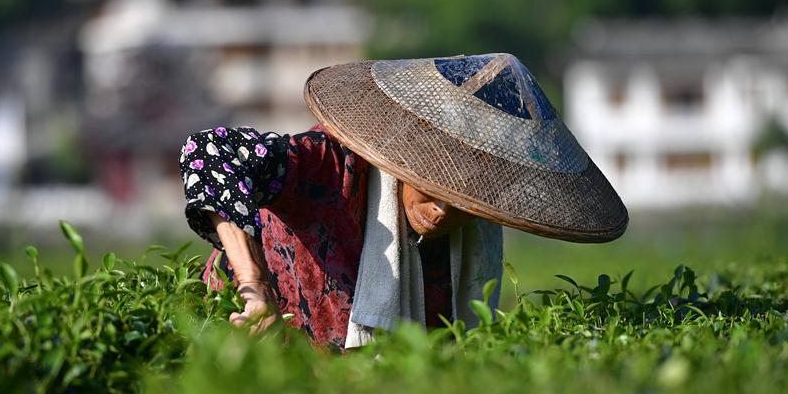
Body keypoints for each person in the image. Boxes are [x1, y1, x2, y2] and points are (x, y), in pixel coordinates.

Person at [179, 53, 628, 351]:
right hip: (238, 350)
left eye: (464, 203)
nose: (442, 212)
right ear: (405, 163)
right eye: (433, 189)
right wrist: (254, 291)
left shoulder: (465, 244)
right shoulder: (330, 167)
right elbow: (209, 152)